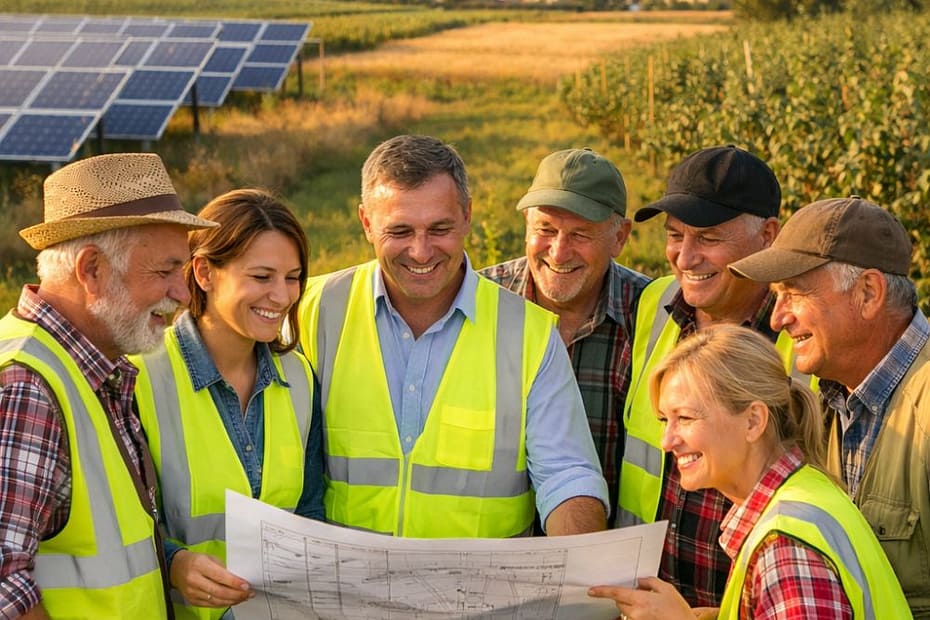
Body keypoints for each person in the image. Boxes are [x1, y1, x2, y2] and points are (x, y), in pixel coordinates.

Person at [297, 134, 609, 538]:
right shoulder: (312, 309)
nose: (422, 252)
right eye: (400, 231)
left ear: (467, 215)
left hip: (487, 598)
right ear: (366, 224)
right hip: (345, 593)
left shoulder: (529, 333)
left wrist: (581, 563)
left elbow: (568, 476)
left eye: (439, 228)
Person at [0, 153, 217, 618]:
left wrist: (171, 562)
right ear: (91, 270)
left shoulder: (92, 368)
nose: (182, 293)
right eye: (164, 271)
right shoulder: (26, 385)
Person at [589, 324, 909, 619]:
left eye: (685, 418)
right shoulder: (807, 496)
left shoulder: (786, 551)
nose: (666, 441)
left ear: (754, 421)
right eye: (664, 420)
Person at [729, 196, 929, 617]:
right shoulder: (829, 400)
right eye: (776, 297)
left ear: (868, 293)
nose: (777, 318)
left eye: (794, 294)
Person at [133, 189, 323, 619]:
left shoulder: (299, 377)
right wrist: (174, 563)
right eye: (261, 277)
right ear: (203, 272)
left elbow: (309, 509)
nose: (282, 296)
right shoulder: (140, 377)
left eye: (292, 277)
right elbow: (123, 526)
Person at [620, 145, 793, 607]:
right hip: (644, 603)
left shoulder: (799, 339)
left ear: (769, 236)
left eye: (709, 238)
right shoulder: (655, 306)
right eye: (675, 235)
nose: (685, 257)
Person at [480, 147, 649, 523]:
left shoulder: (651, 317)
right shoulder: (481, 303)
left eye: (579, 234)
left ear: (620, 237)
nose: (558, 252)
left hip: (607, 559)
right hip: (493, 556)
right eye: (545, 230)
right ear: (526, 224)